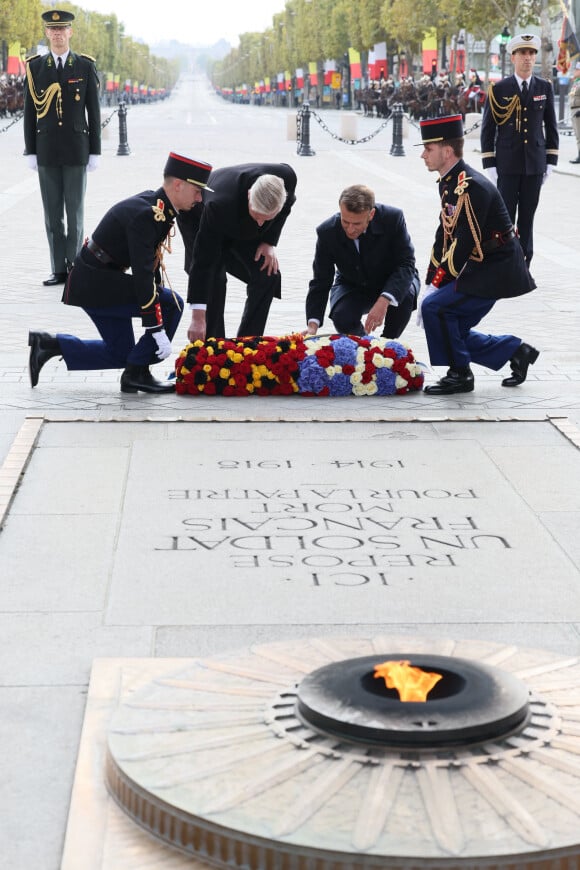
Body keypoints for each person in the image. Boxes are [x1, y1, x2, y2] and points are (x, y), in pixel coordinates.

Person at [27, 152, 213, 393]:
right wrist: (156, 329)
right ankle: (137, 373)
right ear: (178, 185)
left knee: (122, 353)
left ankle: (49, 345)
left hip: (99, 279)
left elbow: (150, 264)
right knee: (173, 305)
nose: (200, 198)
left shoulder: (159, 208)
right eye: (197, 191)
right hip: (96, 283)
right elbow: (143, 274)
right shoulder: (148, 214)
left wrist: (154, 318)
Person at [418, 114, 538, 395]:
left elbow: (463, 242)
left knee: (437, 308)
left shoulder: (472, 188)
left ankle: (460, 374)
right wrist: (429, 280)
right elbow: (443, 234)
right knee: (450, 325)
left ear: (447, 152)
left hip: (496, 269)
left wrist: (438, 284)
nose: (423, 154)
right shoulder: (451, 182)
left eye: (429, 149)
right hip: (481, 265)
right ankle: (516, 351)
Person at [24, 10, 101, 286]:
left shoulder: (84, 66)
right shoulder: (34, 68)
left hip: (76, 150)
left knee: (75, 212)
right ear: (47, 33)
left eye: (62, 29)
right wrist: (30, 150)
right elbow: (30, 113)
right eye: (52, 30)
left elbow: (93, 110)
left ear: (70, 32)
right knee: (52, 214)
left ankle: (74, 268)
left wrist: (95, 151)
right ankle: (58, 269)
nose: (57, 34)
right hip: (46, 151)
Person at [178, 163, 297, 341]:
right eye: (257, 216)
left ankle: (247, 344)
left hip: (241, 222)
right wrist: (197, 317)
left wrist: (268, 241)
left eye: (267, 219)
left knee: (267, 273)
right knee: (214, 279)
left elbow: (286, 208)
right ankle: (216, 347)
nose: (260, 224)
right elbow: (203, 262)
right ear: (250, 195)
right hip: (199, 216)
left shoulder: (286, 177)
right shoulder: (218, 205)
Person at [480, 33, 559, 266]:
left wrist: (551, 161)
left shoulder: (544, 87)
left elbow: (551, 127)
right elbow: (487, 129)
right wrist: (490, 164)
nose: (528, 58)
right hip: (507, 164)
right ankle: (505, 262)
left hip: (534, 164)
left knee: (527, 217)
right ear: (513, 57)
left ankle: (524, 264)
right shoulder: (499, 89)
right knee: (504, 218)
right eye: (523, 53)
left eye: (532, 53)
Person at [303, 184, 419, 339]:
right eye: (345, 222)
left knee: (404, 297)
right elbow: (321, 279)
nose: (350, 229)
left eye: (356, 224)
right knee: (341, 315)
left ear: (371, 214)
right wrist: (312, 326)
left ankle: (388, 344)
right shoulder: (327, 232)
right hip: (353, 282)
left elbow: (406, 263)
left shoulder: (392, 218)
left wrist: (384, 300)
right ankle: (364, 347)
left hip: (392, 278)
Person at [569, 60, 580, 164]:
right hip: (574, 110)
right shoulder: (577, 82)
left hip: (578, 110)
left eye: (577, 69)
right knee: (577, 135)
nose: (575, 71)